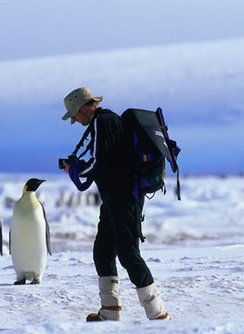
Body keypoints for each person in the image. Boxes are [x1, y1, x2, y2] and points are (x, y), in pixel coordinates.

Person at [60, 87, 169, 321]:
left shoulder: (103, 122)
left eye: (75, 115)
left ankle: (158, 314)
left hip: (123, 198)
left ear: (83, 107)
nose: (75, 120)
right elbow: (108, 159)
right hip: (115, 198)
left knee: (128, 254)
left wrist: (75, 169)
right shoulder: (107, 122)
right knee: (103, 250)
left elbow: (99, 162)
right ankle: (110, 309)